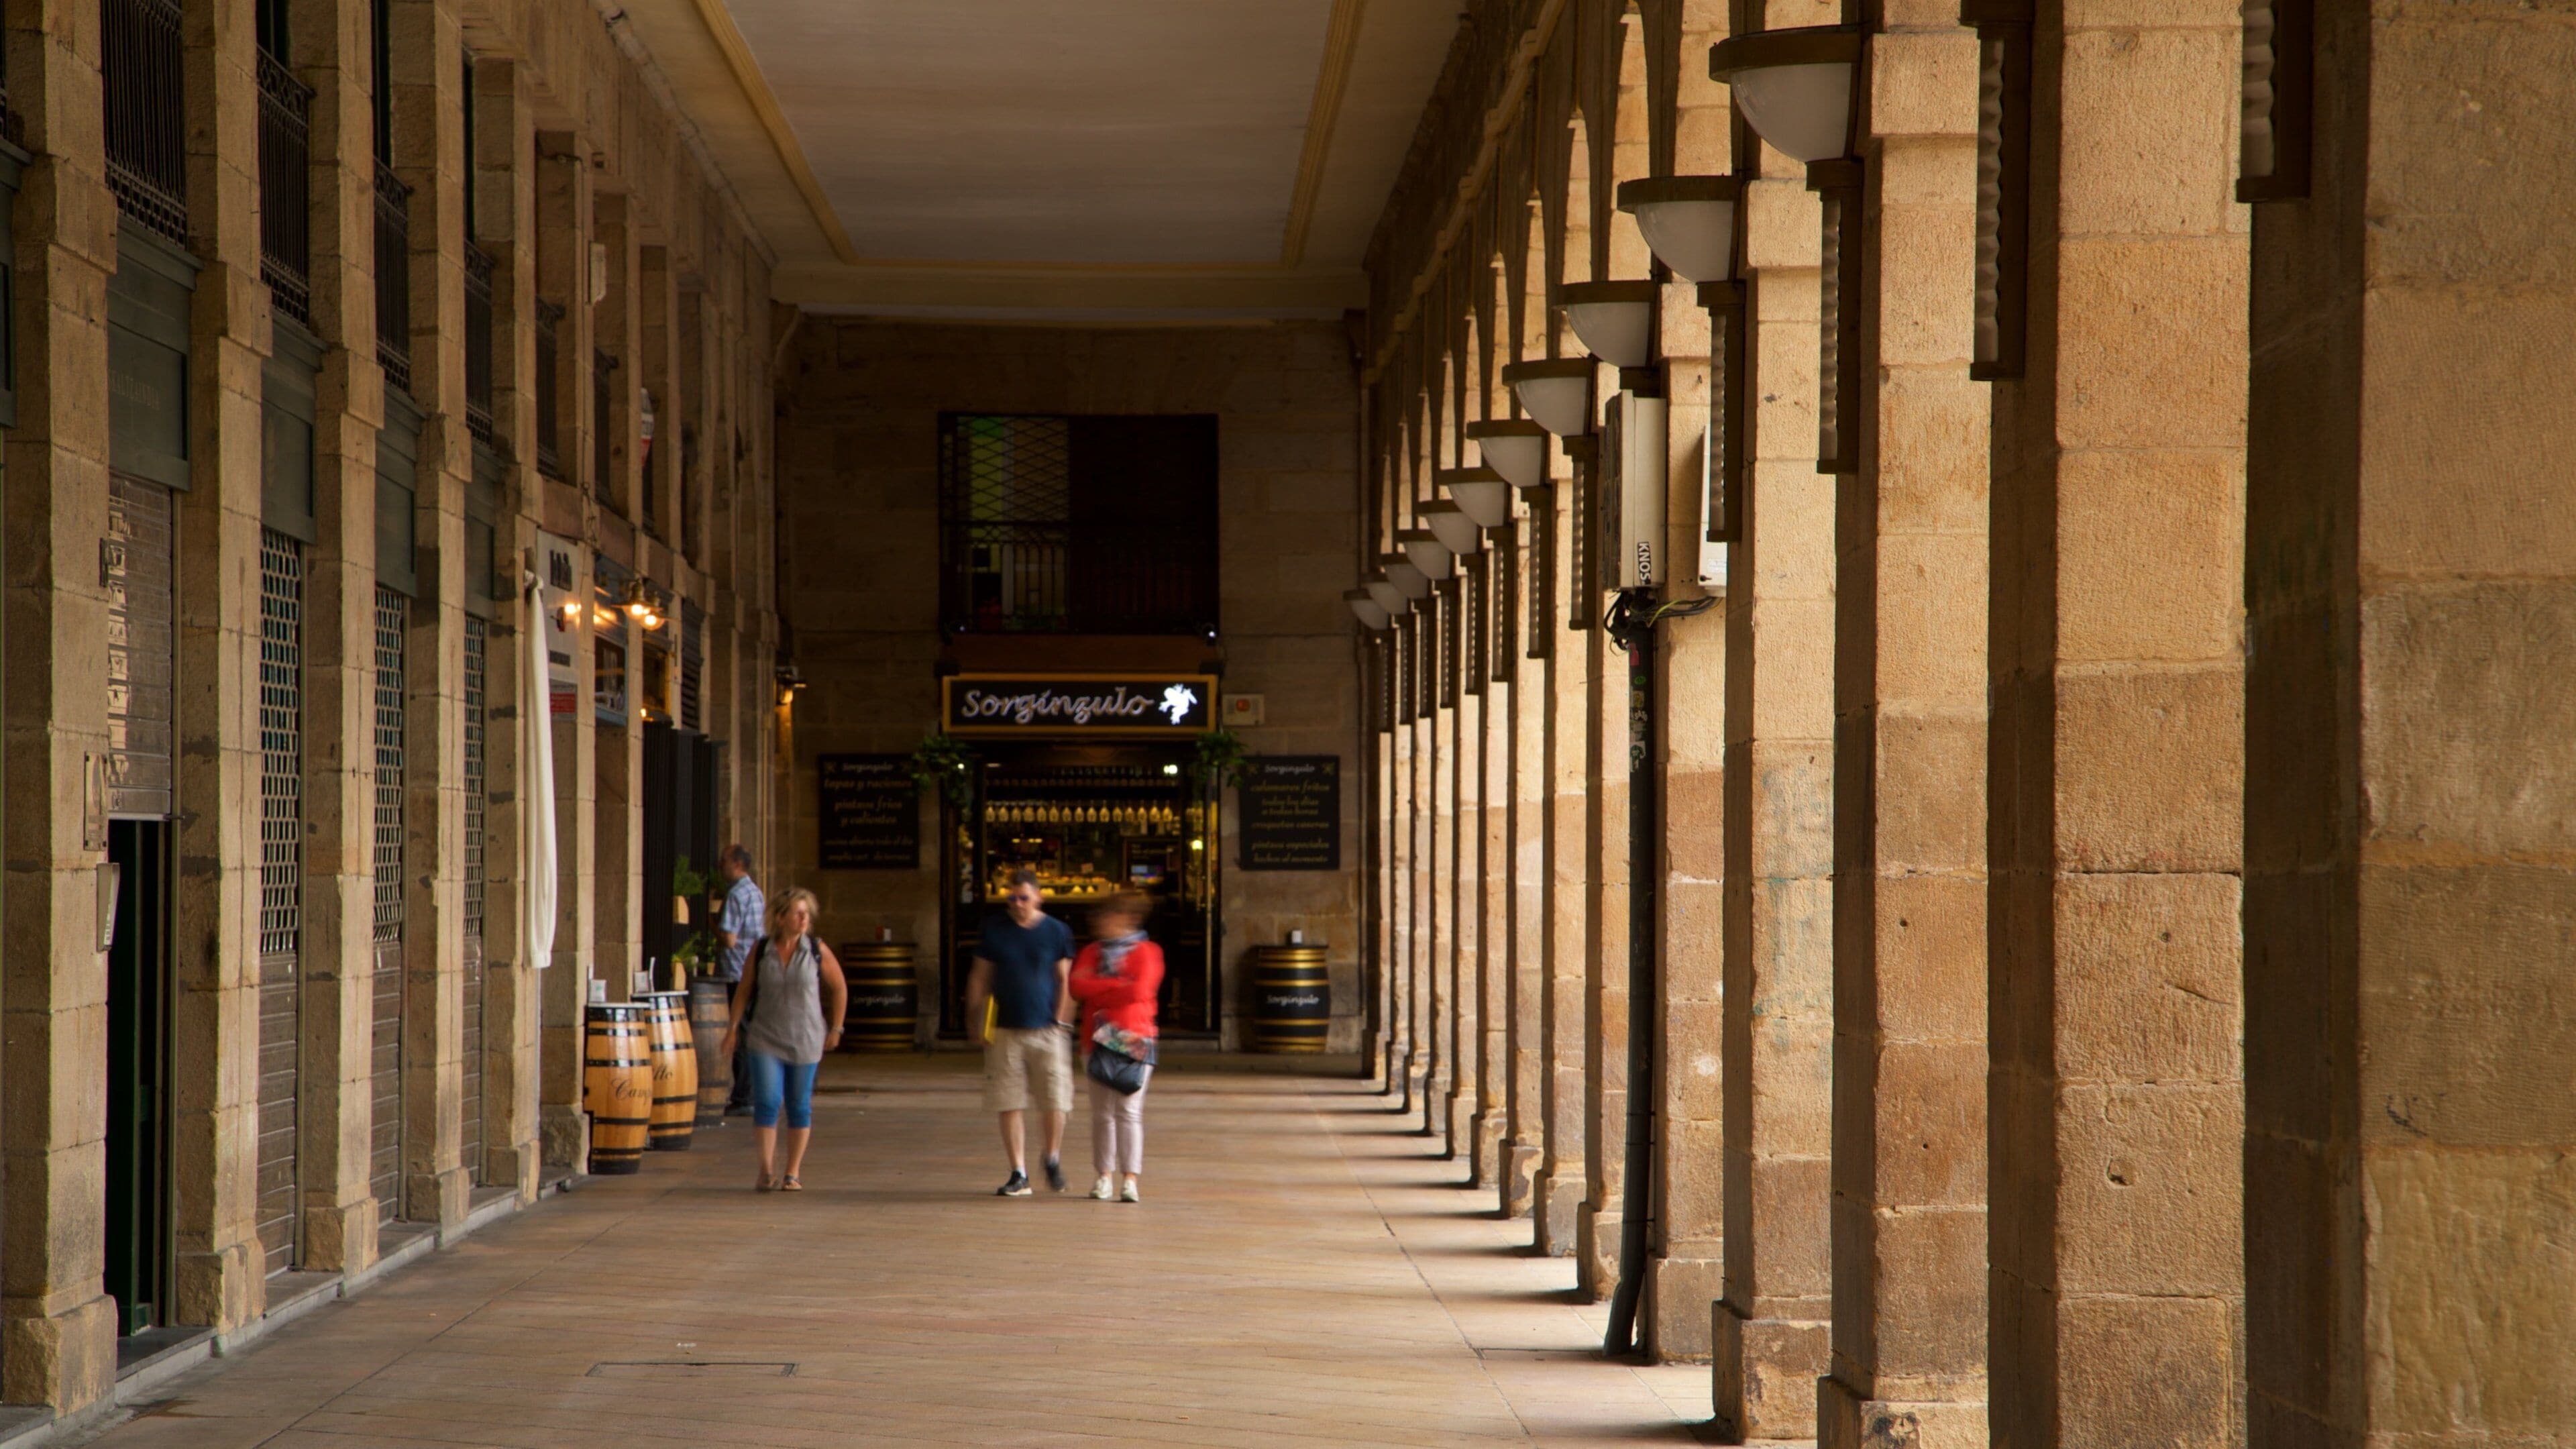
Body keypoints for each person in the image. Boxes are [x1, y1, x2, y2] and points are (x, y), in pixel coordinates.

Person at [718, 888, 846, 1191]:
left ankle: (792, 1172)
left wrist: (836, 1028)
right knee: (768, 1101)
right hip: (766, 1037)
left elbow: (839, 987)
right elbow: (744, 990)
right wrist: (733, 1028)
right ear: (780, 917)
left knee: (799, 1105)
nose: (804, 918)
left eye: (807, 913)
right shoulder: (761, 950)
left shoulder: (816, 949)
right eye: (797, 913)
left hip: (806, 1038)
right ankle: (766, 1170)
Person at [966, 869, 1075, 1196]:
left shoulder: (1056, 931)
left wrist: (1061, 1021)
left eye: (1024, 898)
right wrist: (974, 1019)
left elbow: (1064, 980)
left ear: (1038, 897)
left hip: (1047, 1029)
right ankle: (1018, 1172)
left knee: (1055, 1099)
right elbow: (980, 976)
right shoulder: (995, 930)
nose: (1017, 904)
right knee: (1008, 1100)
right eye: (1011, 898)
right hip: (1004, 1029)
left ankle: (1052, 1157)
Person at [1068, 891, 1163, 1203]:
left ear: (1125, 919)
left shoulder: (1148, 951)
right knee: (1101, 1114)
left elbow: (1140, 990)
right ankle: (1103, 1176)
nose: (1099, 924)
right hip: (1096, 1038)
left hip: (1135, 1036)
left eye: (1106, 917)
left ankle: (1130, 1179)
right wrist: (1118, 984)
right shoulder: (1091, 952)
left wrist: (1102, 989)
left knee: (1129, 1111)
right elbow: (1077, 987)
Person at [714, 844, 767, 1116]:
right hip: (753, 970)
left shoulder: (735, 895)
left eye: (723, 861)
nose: (719, 866)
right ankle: (753, 1092)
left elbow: (730, 938)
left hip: (736, 971)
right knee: (750, 1031)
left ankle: (744, 1096)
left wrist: (712, 926)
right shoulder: (755, 891)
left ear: (736, 864)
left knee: (740, 1033)